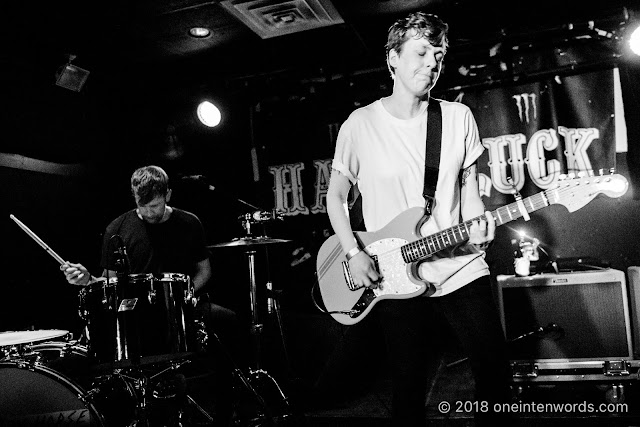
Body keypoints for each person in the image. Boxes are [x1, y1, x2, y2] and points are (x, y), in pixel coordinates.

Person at [325, 12, 513, 427]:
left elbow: (468, 187)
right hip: (394, 274)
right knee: (408, 387)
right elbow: (336, 197)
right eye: (422, 52)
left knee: (495, 373)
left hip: (458, 263)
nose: (432, 63)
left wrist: (479, 224)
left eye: (439, 56)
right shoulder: (361, 124)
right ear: (393, 58)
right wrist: (354, 252)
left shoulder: (456, 117)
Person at [61, 165, 240, 425]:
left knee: (230, 322)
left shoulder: (189, 222)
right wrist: (88, 280)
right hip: (138, 314)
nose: (148, 212)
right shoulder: (118, 228)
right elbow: (109, 281)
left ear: (168, 193)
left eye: (154, 206)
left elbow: (204, 270)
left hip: (183, 305)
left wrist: (187, 294)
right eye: (142, 206)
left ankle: (227, 410)